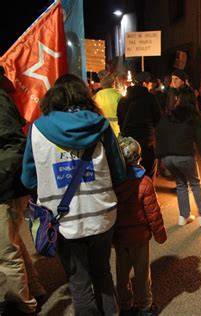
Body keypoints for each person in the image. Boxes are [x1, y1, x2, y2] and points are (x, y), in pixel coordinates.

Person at [21, 74, 127, 315]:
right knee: (102, 272)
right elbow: (118, 172)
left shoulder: (37, 129)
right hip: (102, 214)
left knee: (79, 282)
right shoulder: (100, 125)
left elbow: (28, 179)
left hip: (62, 221)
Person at [0, 83, 46, 315]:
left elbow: (15, 143)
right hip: (9, 185)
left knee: (4, 251)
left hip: (5, 187)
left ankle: (22, 307)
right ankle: (35, 291)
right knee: (12, 242)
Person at [114, 136, 167, 316]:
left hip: (120, 239)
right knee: (142, 274)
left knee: (121, 274)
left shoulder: (113, 184)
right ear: (138, 158)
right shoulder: (144, 183)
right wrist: (160, 234)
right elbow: (153, 213)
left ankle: (125, 306)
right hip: (139, 238)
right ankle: (145, 307)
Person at [155, 89, 201, 227]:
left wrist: (160, 156)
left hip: (167, 157)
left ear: (178, 100)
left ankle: (184, 216)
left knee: (181, 184)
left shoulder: (168, 115)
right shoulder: (194, 117)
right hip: (184, 156)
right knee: (195, 183)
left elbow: (159, 131)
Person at [117, 71, 161, 178]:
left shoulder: (123, 100)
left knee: (130, 175)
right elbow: (158, 119)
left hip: (129, 145)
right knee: (148, 175)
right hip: (147, 144)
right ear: (145, 84)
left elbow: (120, 120)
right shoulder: (151, 99)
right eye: (150, 83)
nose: (151, 85)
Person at [93, 71, 122, 136]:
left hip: (102, 127)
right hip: (117, 129)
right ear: (113, 84)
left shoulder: (96, 96)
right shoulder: (119, 96)